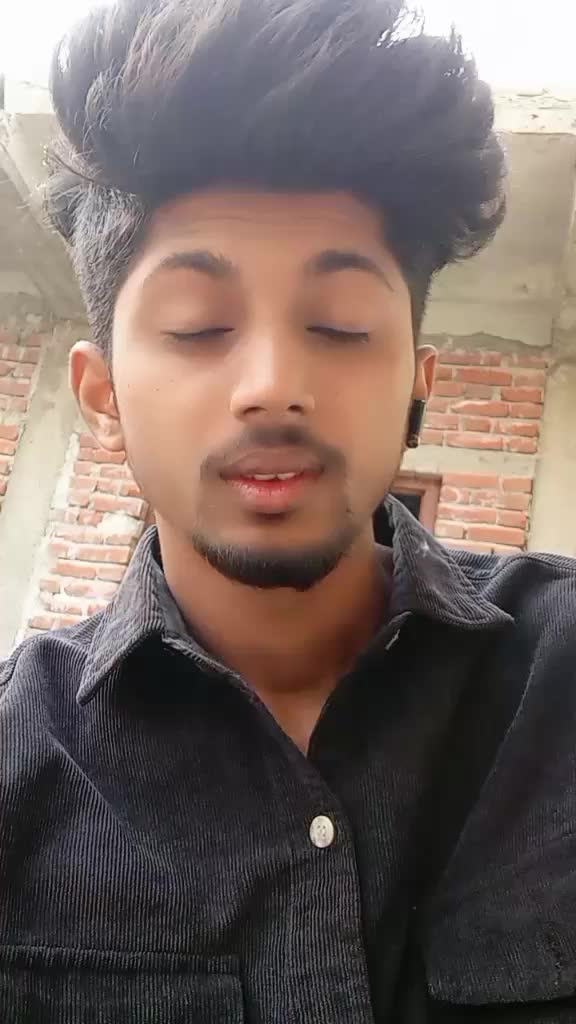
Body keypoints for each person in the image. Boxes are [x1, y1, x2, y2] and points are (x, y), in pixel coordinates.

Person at [2, 0, 575, 1020]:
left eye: (340, 326)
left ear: (417, 389)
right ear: (103, 398)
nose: (272, 385)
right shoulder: (15, 759)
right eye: (198, 326)